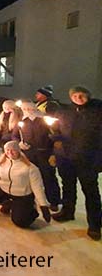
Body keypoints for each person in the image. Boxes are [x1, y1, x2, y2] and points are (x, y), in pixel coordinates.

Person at [51, 86, 102, 240]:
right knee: (68, 186)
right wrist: (56, 138)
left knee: (90, 192)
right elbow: (56, 130)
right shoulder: (65, 111)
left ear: (88, 95)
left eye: (82, 95)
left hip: (88, 159)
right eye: (75, 95)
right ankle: (67, 211)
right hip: (66, 158)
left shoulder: (97, 111)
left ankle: (94, 224)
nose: (78, 98)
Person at [0, 141, 51, 228]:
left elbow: (38, 188)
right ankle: (8, 202)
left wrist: (44, 206)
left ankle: (30, 210)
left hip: (21, 195)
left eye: (13, 150)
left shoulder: (30, 168)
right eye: (7, 150)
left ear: (19, 151)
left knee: (21, 222)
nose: (10, 153)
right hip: (3, 189)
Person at [13, 101, 61, 211]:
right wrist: (19, 143)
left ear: (35, 109)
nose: (28, 111)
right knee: (28, 177)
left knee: (48, 177)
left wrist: (53, 150)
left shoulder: (44, 120)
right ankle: (29, 200)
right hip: (28, 154)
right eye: (25, 109)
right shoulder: (22, 122)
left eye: (30, 109)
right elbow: (15, 135)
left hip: (44, 153)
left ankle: (53, 200)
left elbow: (55, 136)